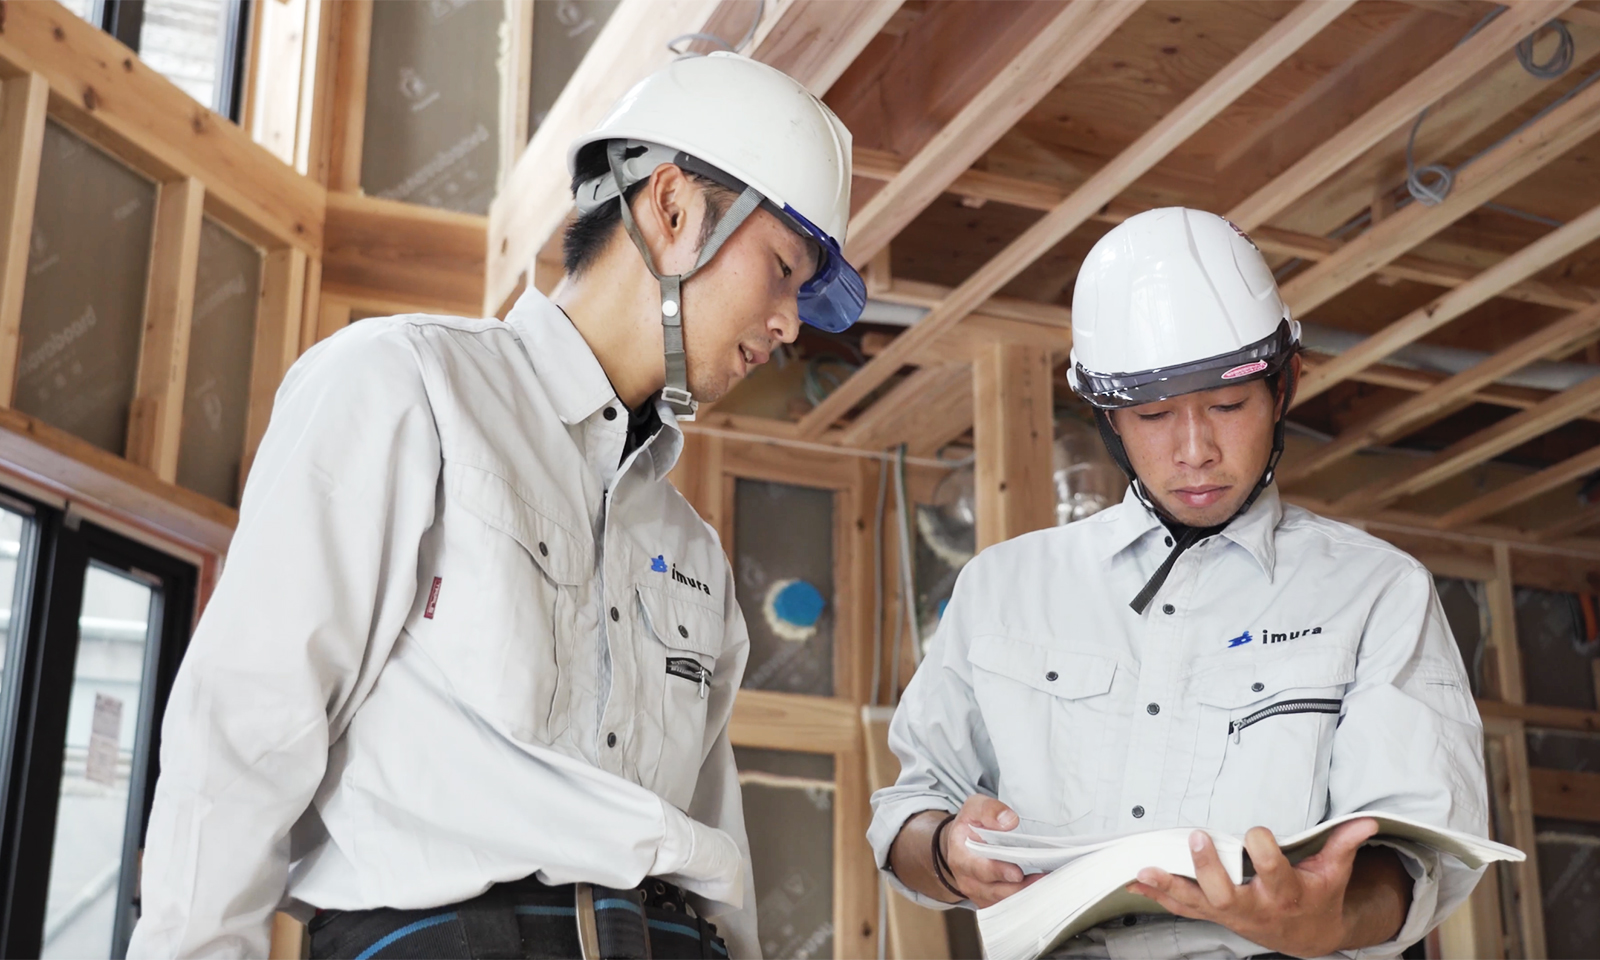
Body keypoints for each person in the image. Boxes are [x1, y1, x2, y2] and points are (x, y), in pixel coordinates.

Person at [128, 51, 863, 960]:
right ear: (672, 210)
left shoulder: (693, 553)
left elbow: (715, 841)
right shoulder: (408, 387)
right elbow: (246, 724)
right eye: (783, 269)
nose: (790, 323)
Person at [868, 207, 1487, 959]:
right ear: (1107, 418)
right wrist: (945, 852)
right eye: (1154, 413)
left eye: (1227, 406)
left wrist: (1321, 917)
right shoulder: (1003, 586)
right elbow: (911, 807)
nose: (1194, 449)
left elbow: (1414, 858)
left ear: (1285, 384)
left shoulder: (1377, 592)